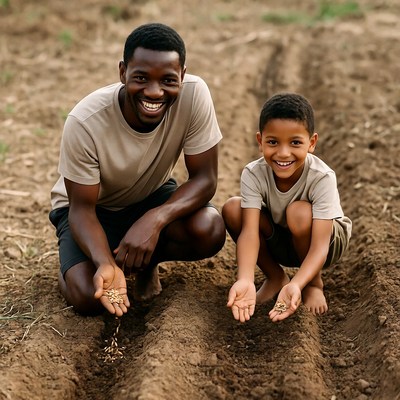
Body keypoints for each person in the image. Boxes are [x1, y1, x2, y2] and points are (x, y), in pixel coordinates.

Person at [49, 23, 226, 317]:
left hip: (150, 196)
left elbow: (206, 179)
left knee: (208, 228)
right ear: (122, 73)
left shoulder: (195, 95)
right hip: (94, 211)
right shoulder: (85, 121)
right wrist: (105, 264)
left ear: (182, 75)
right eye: (141, 78)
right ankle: (74, 267)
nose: (154, 92)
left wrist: (154, 220)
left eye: (168, 80)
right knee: (89, 298)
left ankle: (144, 262)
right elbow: (81, 210)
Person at [223, 93, 351, 323]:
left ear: (311, 143)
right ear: (260, 141)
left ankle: (313, 283)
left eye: (295, 142)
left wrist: (298, 284)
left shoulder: (321, 177)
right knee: (233, 208)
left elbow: (321, 245)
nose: (283, 153)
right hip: (284, 235)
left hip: (326, 239)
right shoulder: (253, 173)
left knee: (299, 212)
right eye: (273, 142)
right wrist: (245, 278)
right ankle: (275, 278)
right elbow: (250, 232)